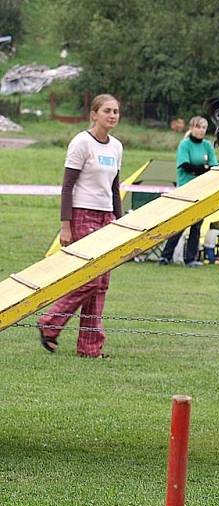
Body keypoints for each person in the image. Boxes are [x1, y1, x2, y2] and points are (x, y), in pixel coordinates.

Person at [37, 94, 123, 358]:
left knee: (102, 283)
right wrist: (66, 225)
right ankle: (49, 322)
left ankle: (90, 348)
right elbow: (67, 187)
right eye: (107, 110)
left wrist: (119, 224)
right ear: (93, 114)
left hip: (106, 216)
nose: (112, 115)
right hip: (82, 214)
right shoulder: (81, 142)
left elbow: (114, 187)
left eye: (116, 111)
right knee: (89, 279)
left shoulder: (117, 146)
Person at [159, 116, 218, 267]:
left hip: (202, 190)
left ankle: (191, 259)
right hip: (186, 189)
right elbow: (185, 166)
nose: (201, 130)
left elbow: (214, 167)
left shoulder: (207, 146)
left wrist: (203, 169)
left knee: (197, 225)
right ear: (192, 128)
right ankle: (165, 256)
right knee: (179, 224)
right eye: (198, 127)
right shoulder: (185, 145)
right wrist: (203, 169)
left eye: (204, 128)